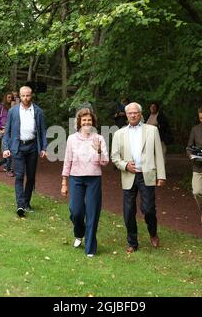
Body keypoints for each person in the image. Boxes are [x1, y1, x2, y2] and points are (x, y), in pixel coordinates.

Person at [111, 102, 166, 254]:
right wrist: (124, 165)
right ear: (126, 115)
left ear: (141, 114)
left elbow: (158, 154)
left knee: (148, 209)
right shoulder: (119, 134)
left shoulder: (152, 130)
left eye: (136, 113)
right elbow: (114, 156)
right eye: (130, 113)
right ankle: (132, 242)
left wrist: (161, 175)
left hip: (147, 174)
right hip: (129, 174)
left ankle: (153, 233)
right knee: (128, 211)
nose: (133, 115)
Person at [61, 109, 109, 257]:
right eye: (84, 120)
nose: (87, 123)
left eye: (89, 120)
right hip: (76, 178)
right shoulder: (72, 139)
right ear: (79, 122)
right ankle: (79, 233)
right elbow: (67, 160)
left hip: (94, 178)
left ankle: (90, 248)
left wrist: (100, 151)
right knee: (76, 212)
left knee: (92, 213)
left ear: (93, 122)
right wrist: (64, 181)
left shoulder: (99, 138)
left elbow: (105, 162)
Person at [2, 86, 48, 217]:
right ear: (19, 97)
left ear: (31, 95)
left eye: (27, 95)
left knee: (31, 177)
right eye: (23, 96)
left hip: (32, 147)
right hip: (18, 147)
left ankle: (27, 203)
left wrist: (44, 148)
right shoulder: (13, 111)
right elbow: (7, 132)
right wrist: (5, 148)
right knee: (20, 176)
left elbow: (43, 131)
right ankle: (20, 205)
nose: (25, 98)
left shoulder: (38, 111)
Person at [0, 93, 14, 176]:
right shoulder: (0, 107)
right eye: (8, 97)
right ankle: (8, 170)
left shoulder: (14, 108)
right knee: (8, 151)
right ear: (5, 98)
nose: (10, 99)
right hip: (3, 130)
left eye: (11, 97)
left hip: (13, 131)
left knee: (12, 151)